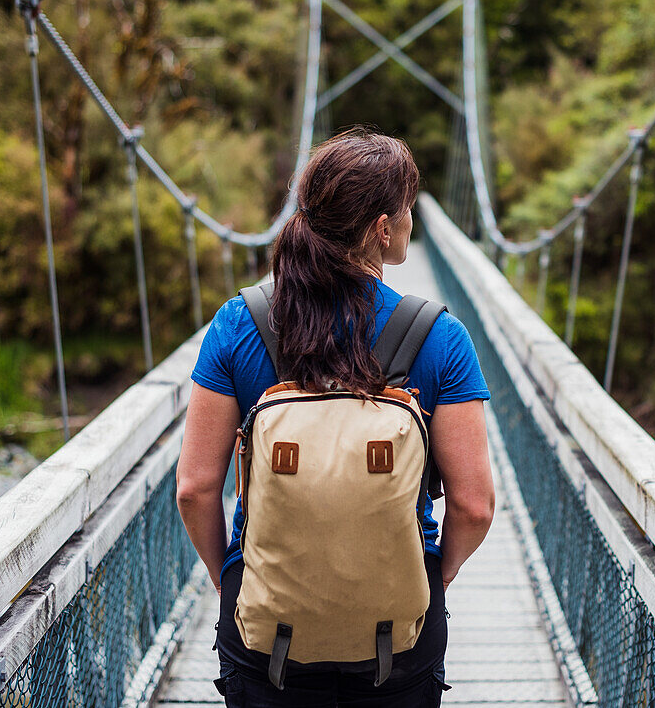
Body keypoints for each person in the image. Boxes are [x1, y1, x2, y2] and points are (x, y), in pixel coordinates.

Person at [176, 127, 495, 707]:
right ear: (381, 229)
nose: (411, 226)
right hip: (399, 640)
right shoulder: (441, 338)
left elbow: (196, 490)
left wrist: (234, 584)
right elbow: (473, 506)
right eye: (407, 212)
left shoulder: (237, 323)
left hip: (266, 634)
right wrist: (428, 585)